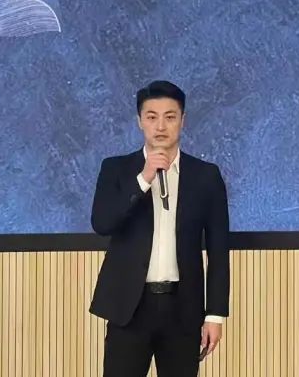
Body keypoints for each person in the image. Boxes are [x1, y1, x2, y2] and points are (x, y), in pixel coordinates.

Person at [89, 80, 230, 377]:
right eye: (152, 117)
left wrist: (215, 314)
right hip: (130, 308)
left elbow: (219, 251)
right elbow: (102, 223)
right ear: (140, 121)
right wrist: (143, 178)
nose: (161, 126)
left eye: (170, 116)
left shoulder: (205, 176)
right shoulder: (116, 169)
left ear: (183, 120)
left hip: (183, 309)